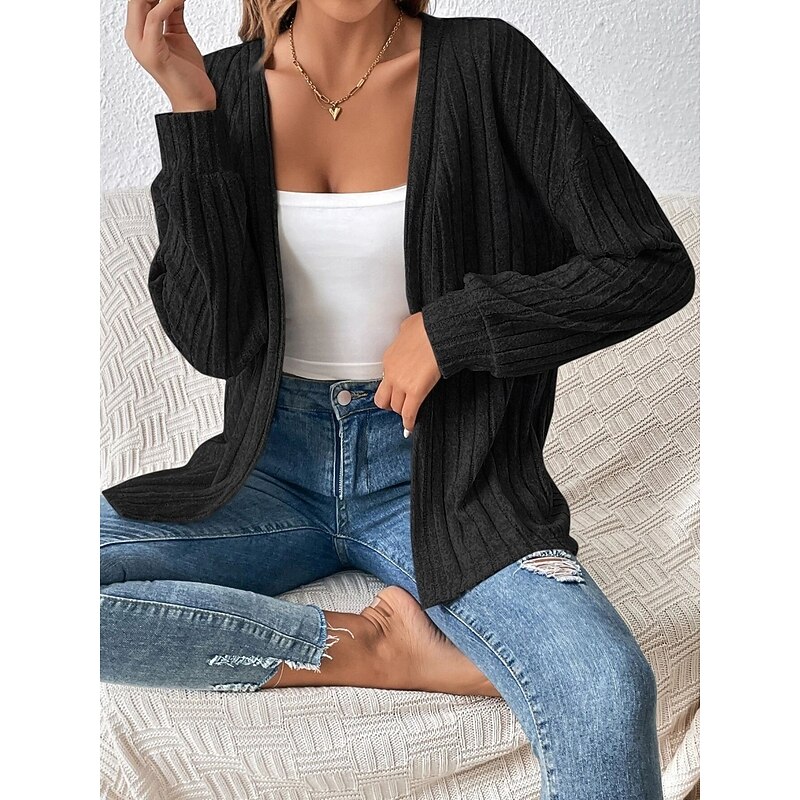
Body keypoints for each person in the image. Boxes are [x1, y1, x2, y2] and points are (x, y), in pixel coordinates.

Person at [103, 2, 694, 797]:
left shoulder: (488, 62)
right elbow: (215, 342)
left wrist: (456, 328)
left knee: (605, 685)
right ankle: (365, 649)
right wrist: (191, 112)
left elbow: (649, 264)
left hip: (448, 478)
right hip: (268, 475)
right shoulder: (220, 89)